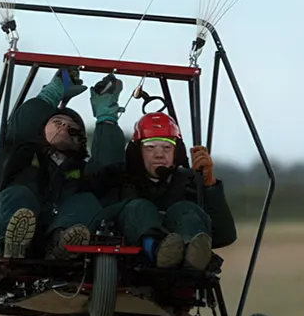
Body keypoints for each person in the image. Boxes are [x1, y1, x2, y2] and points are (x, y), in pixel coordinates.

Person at [0, 68, 126, 260]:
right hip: (20, 221)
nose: (63, 126)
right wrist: (51, 93)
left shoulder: (83, 171)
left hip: (58, 227)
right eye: (57, 121)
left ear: (80, 140)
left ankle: (62, 244)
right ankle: (12, 244)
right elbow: (22, 127)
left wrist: (106, 118)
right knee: (19, 194)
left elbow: (108, 167)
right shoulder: (22, 154)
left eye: (71, 127)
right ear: (41, 129)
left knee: (87, 201)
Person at [90, 112, 237, 270]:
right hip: (131, 267)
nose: (159, 154)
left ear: (176, 152)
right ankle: (157, 250)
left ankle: (191, 254)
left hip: (185, 274)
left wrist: (209, 186)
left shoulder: (189, 182)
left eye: (167, 147)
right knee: (139, 208)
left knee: (186, 210)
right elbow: (99, 221)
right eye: (150, 147)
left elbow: (224, 236)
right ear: (137, 152)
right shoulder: (117, 180)